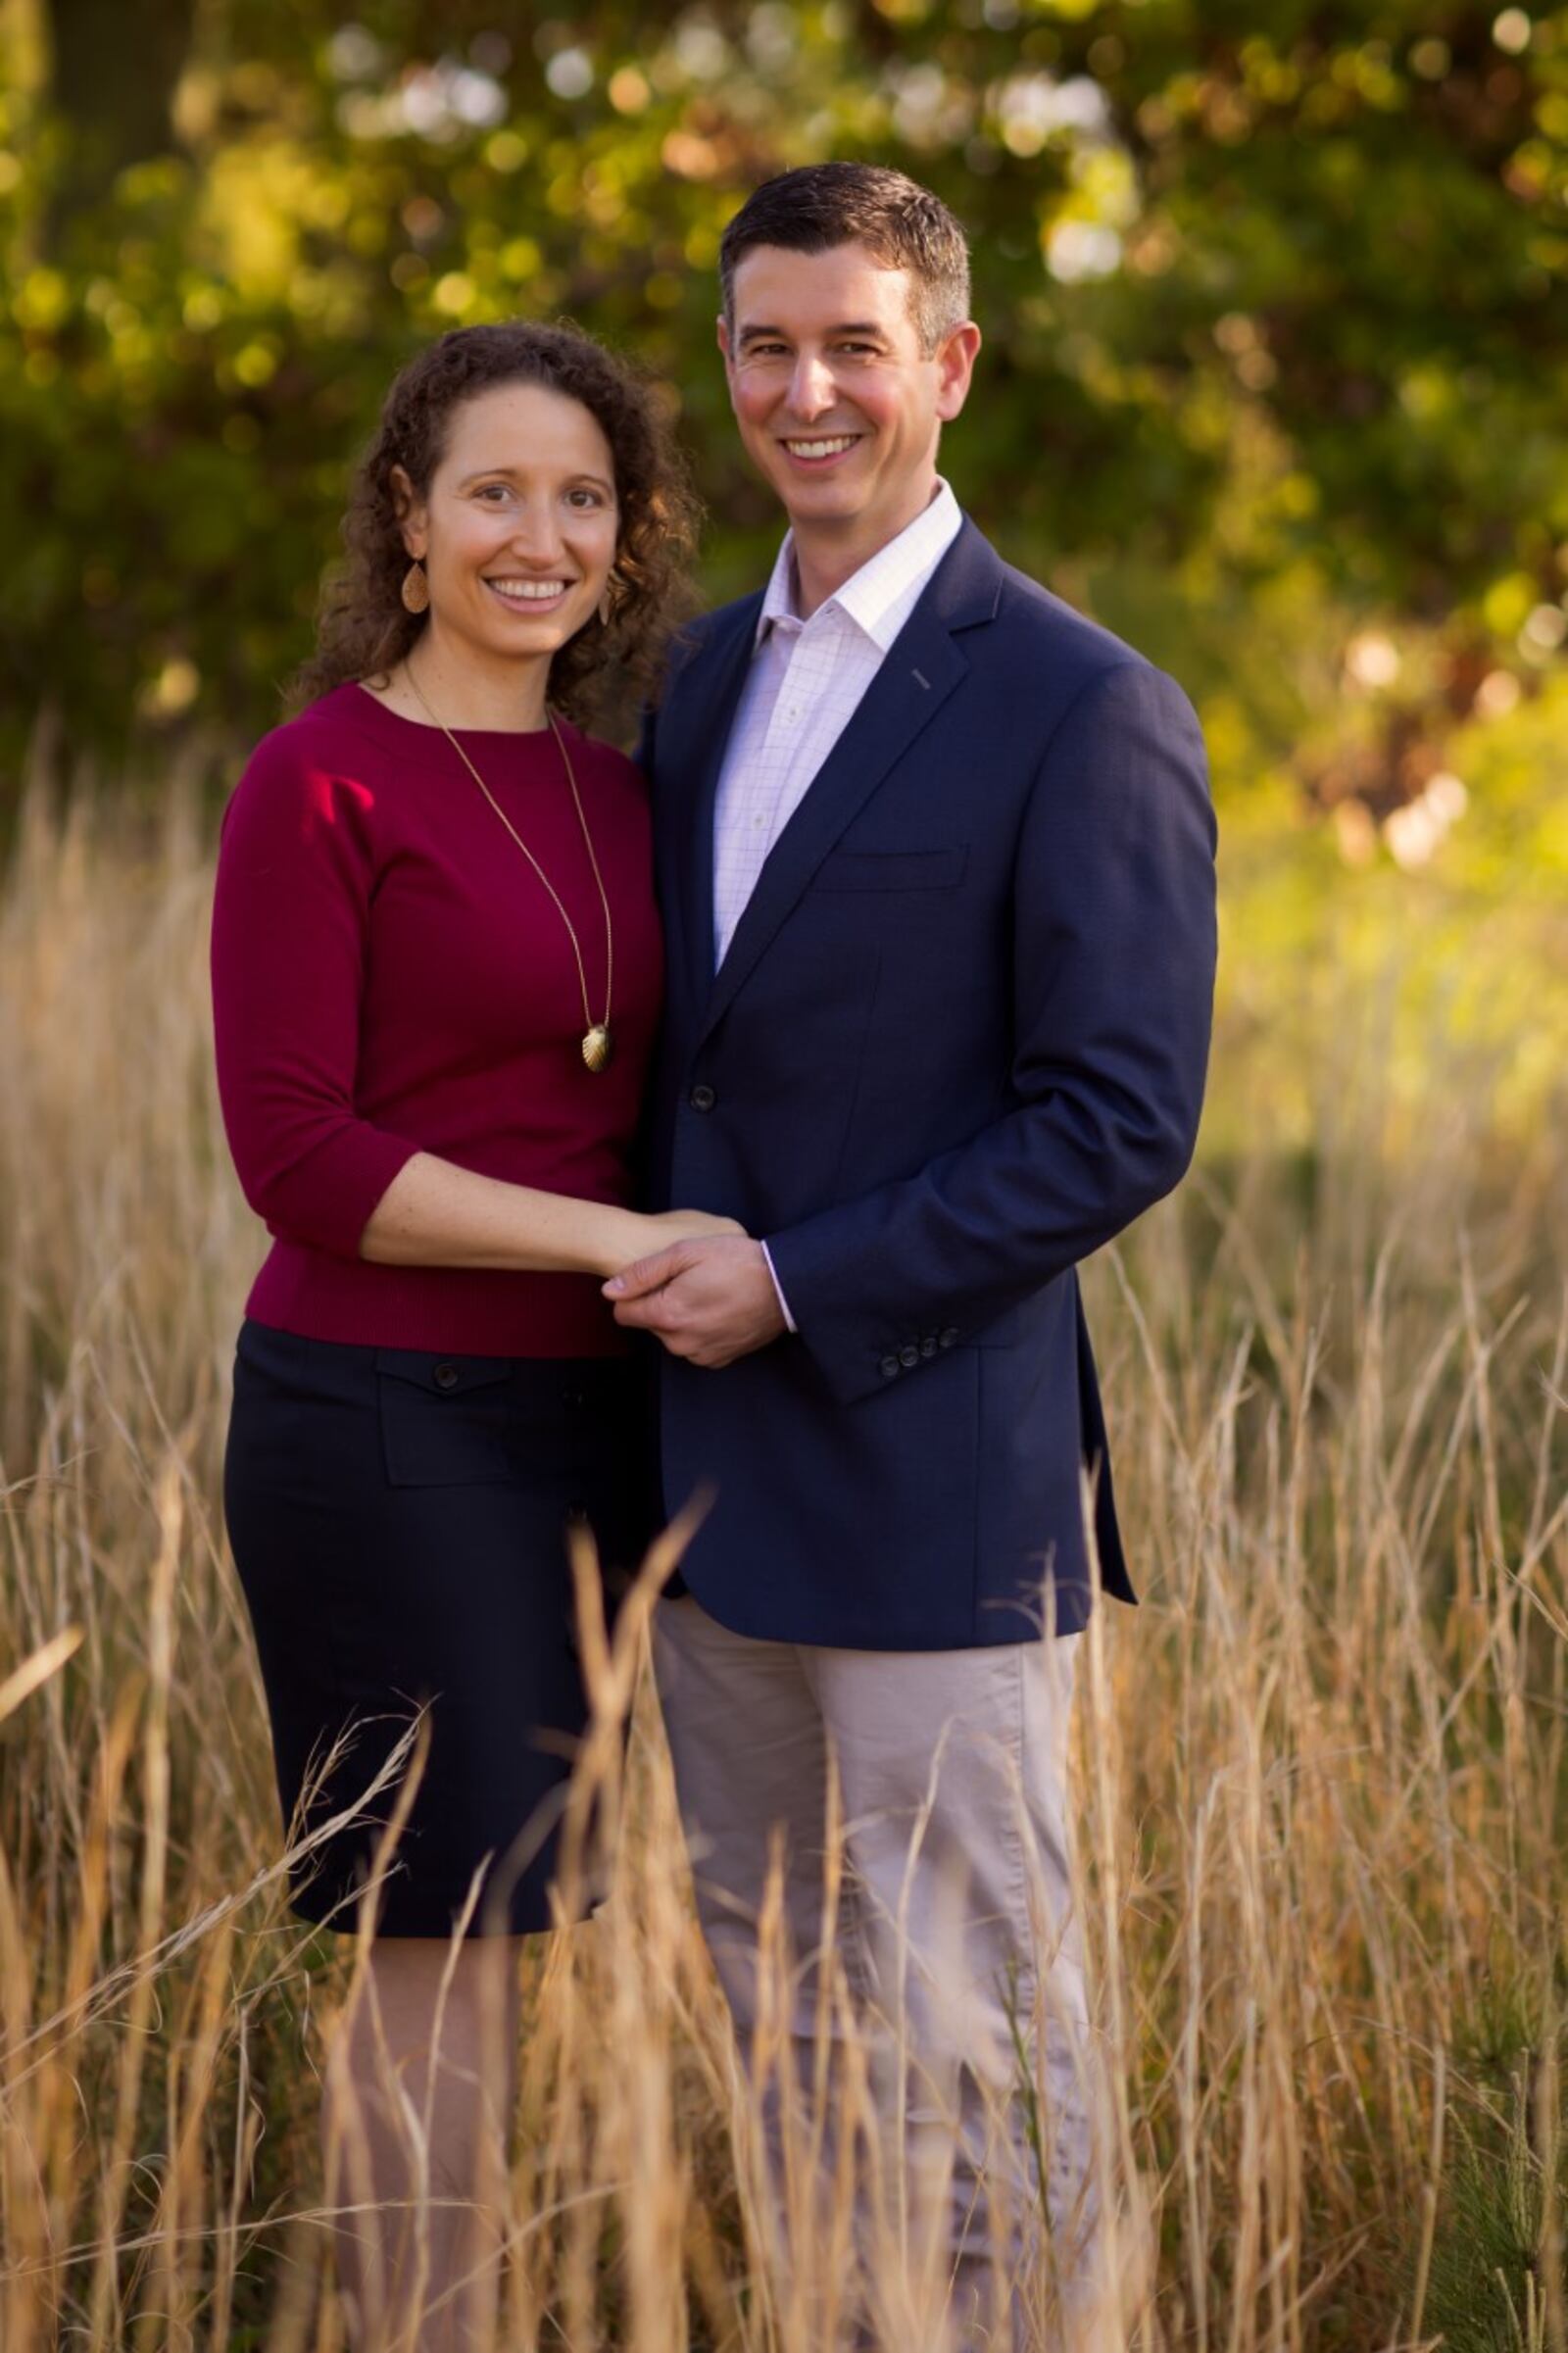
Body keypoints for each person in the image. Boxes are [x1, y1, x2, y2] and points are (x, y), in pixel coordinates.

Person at [610, 164, 1218, 2346]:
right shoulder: (687, 683)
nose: (805, 389)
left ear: (946, 365)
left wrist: (790, 1275)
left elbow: (1116, 1119)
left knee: (981, 2054)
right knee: (790, 2067)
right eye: (764, 344)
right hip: (708, 1504)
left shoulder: (1078, 703)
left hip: (932, 1490)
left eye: (853, 343)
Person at [211, 320, 726, 2353]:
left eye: (581, 496)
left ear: (627, 534)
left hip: (590, 1427)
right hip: (379, 1424)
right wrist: (617, 1238)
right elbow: (301, 1157)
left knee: (521, 1941)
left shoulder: (629, 786)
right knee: (437, 1949)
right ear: (407, 525)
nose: (541, 534)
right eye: (493, 493)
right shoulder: (313, 777)